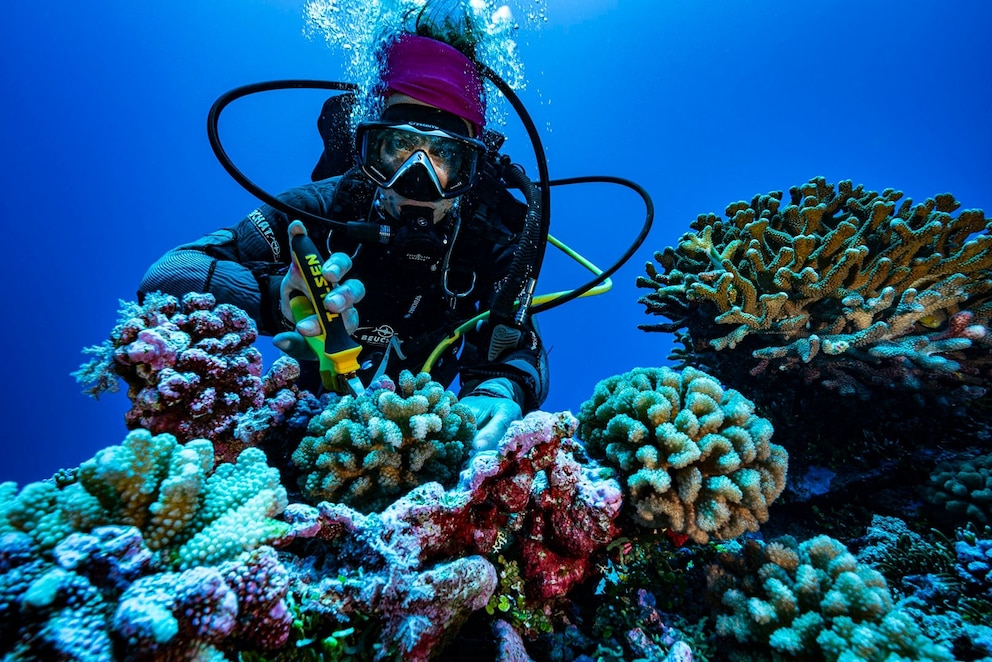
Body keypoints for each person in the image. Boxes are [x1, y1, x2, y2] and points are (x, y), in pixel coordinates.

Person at [139, 33, 549, 451]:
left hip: (427, 439)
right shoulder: (320, 207)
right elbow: (168, 274)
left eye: (443, 156)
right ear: (368, 150)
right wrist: (278, 297)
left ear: (471, 169)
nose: (416, 176)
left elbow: (516, 347)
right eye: (399, 146)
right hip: (311, 428)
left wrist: (498, 392)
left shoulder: (491, 239)